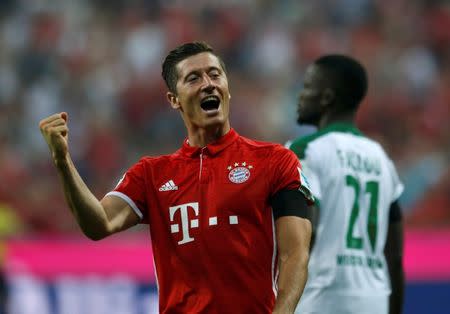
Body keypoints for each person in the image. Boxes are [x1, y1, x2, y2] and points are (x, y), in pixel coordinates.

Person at [39, 42, 314, 314]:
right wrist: (63, 162)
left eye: (215, 74)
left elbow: (296, 254)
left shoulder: (275, 161)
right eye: (193, 78)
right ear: (174, 99)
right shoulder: (151, 174)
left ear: (228, 88)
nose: (208, 83)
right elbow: (98, 223)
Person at [287, 55, 404, 314]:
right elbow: (395, 258)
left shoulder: (305, 150)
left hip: (321, 298)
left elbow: (306, 231)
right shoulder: (381, 158)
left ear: (327, 98)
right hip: (373, 301)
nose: (301, 95)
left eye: (307, 87)